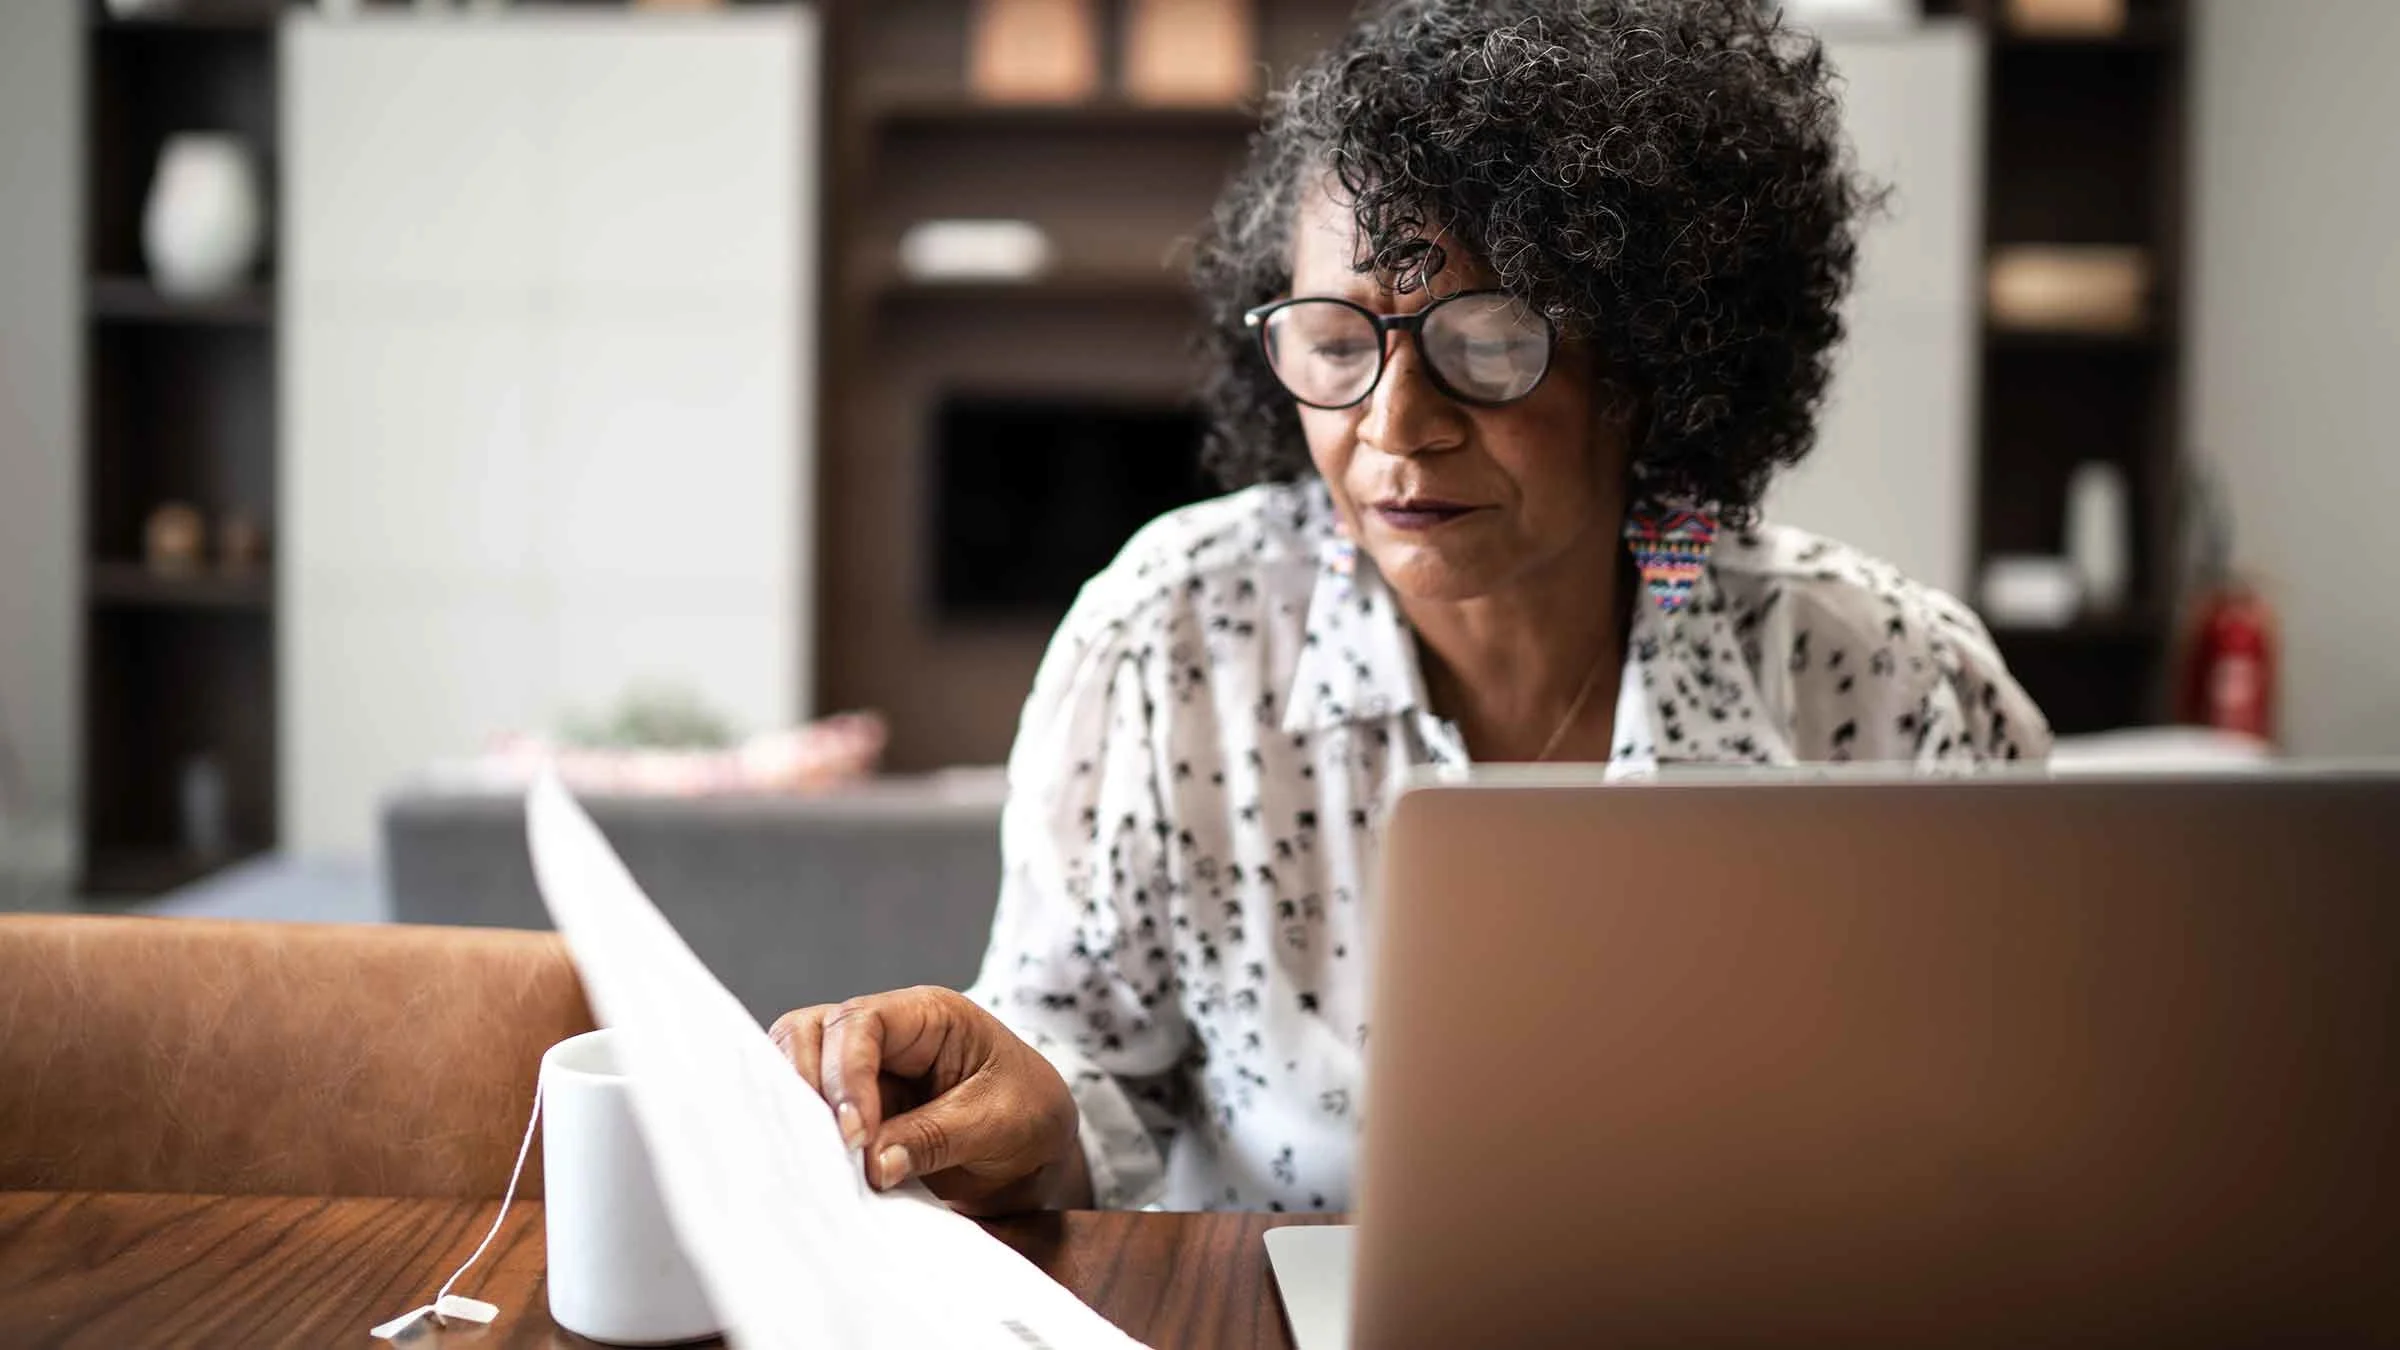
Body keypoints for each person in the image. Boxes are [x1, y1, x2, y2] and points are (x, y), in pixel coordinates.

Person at [772, 0, 2050, 1215]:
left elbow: (2023, 1132)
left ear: (1651, 363)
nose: (1393, 427)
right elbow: (1088, 1069)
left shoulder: (1888, 683)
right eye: (1337, 345)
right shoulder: (1173, 641)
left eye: (1486, 344)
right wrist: (1021, 1108)